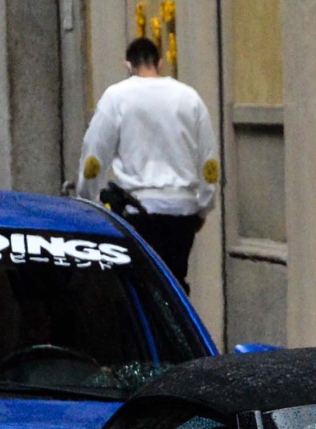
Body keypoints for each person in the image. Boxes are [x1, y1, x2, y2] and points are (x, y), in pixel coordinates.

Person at [77, 37, 219, 285]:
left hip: (138, 213)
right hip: (182, 212)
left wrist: (87, 199)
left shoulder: (116, 97)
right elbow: (209, 162)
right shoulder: (190, 98)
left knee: (141, 286)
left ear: (128, 66)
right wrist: (204, 206)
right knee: (174, 284)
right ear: (160, 64)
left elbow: (94, 157)